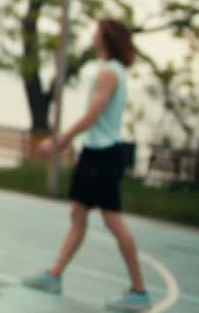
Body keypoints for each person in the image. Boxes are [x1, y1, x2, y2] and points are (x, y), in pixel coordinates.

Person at [23, 18, 152, 312]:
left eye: (96, 32)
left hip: (103, 155)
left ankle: (139, 290)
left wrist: (61, 140)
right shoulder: (112, 71)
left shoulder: (109, 73)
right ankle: (54, 275)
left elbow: (93, 115)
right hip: (96, 152)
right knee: (78, 212)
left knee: (112, 219)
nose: (92, 36)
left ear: (106, 38)